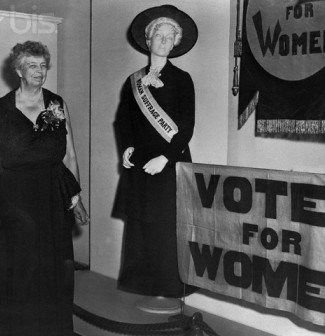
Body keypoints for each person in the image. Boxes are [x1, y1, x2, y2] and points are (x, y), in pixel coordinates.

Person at [0, 40, 89, 335]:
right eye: (32, 65)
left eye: (43, 65)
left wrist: (76, 198)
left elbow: (69, 155)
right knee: (20, 272)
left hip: (53, 199)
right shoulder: (1, 109)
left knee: (52, 271)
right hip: (15, 202)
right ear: (18, 69)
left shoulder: (57, 104)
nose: (39, 71)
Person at [116, 5, 198, 314]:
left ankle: (172, 290)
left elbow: (186, 127)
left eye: (169, 36)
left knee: (168, 228)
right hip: (140, 167)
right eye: (158, 35)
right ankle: (149, 287)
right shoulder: (133, 80)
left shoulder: (183, 79)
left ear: (176, 42)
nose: (163, 40)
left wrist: (166, 157)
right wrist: (126, 147)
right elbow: (123, 120)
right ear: (148, 40)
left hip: (170, 165)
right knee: (141, 228)